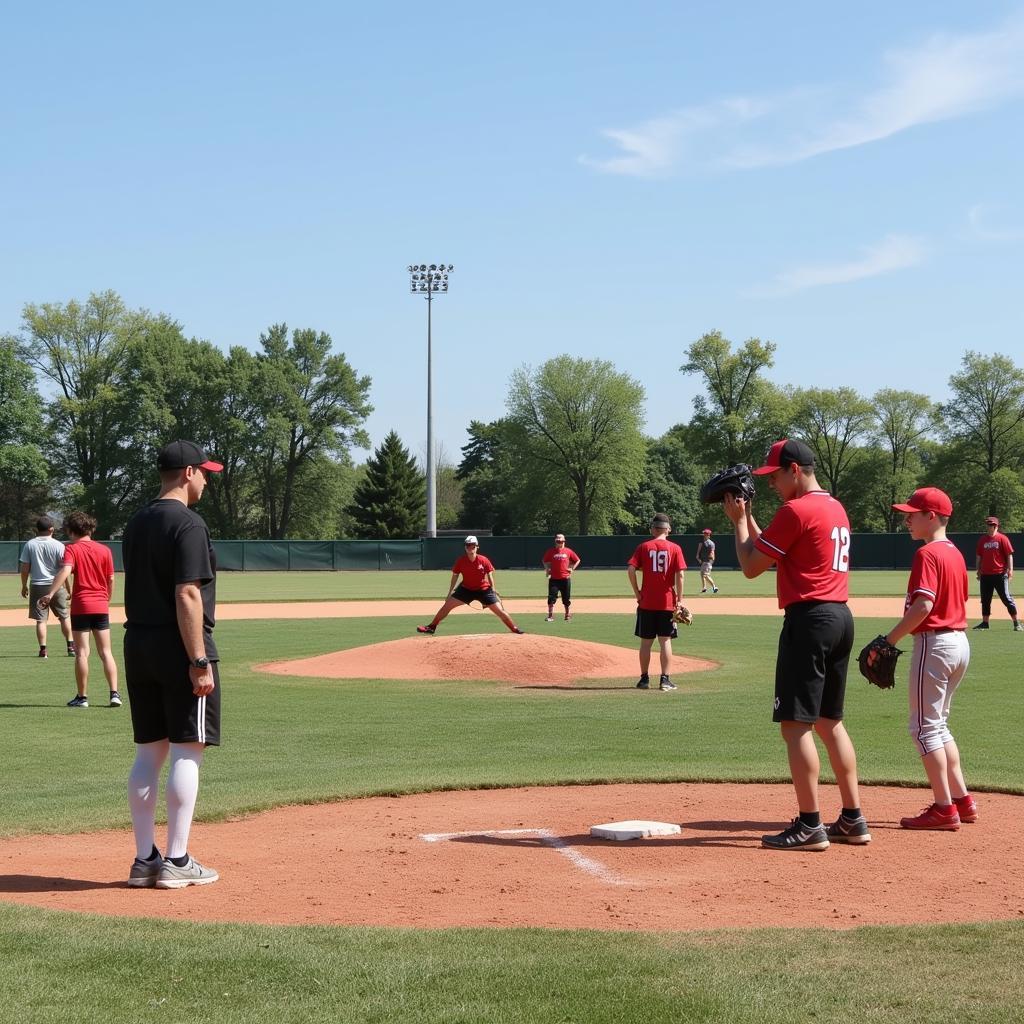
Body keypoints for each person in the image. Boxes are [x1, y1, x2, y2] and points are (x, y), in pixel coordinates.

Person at [723, 438, 866, 851]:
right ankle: (853, 819)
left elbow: (751, 566)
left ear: (795, 470)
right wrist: (748, 518)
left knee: (795, 725)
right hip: (840, 617)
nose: (770, 484)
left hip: (809, 622)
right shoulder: (833, 507)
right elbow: (773, 551)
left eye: (774, 476)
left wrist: (736, 522)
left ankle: (809, 825)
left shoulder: (796, 509)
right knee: (829, 721)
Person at [121, 439, 224, 890]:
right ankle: (178, 860)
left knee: (149, 751)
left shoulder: (136, 521)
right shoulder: (188, 523)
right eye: (204, 472)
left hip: (138, 643)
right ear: (187, 473)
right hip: (178, 646)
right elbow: (187, 593)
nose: (206, 479)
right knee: (188, 748)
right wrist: (198, 658)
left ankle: (145, 859)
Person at [876, 487, 976, 830]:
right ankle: (962, 800)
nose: (907, 519)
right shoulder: (955, 553)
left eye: (913, 513)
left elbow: (924, 606)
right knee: (938, 725)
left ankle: (944, 809)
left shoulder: (928, 554)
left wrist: (889, 640)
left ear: (931, 516)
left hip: (935, 643)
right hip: (959, 643)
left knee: (922, 729)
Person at [38, 511, 119, 708]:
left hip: (81, 605)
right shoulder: (105, 550)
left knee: (82, 653)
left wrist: (49, 594)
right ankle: (114, 694)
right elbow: (111, 579)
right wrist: (106, 599)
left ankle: (82, 698)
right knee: (106, 652)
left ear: (72, 530)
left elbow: (65, 570)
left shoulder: (72, 549)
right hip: (101, 605)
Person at [417, 536, 525, 635]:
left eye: (473, 545)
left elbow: (490, 575)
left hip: (484, 590)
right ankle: (431, 627)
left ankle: (514, 628)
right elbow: (455, 576)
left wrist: (493, 590)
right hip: (466, 589)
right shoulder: (461, 561)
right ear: (465, 547)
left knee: (500, 611)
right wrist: (450, 593)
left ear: (477, 547)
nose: (470, 547)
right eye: (468, 545)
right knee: (446, 607)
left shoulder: (483, 560)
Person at [627, 513, 686, 692]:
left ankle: (644, 679)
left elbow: (631, 569)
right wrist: (680, 601)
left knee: (646, 643)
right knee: (665, 641)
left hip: (646, 602)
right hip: (667, 602)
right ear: (668, 529)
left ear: (653, 529)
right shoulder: (675, 548)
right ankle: (665, 680)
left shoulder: (643, 547)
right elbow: (680, 574)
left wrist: (637, 593)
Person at [19, 515, 74, 659]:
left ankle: (43, 650)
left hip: (37, 585)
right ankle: (70, 646)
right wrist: (69, 589)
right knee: (64, 616)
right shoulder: (59, 545)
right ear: (52, 529)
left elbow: (25, 568)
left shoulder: (30, 544)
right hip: (57, 585)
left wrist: (24, 586)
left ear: (36, 529)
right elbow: (65, 570)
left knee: (41, 620)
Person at [973, 516, 1019, 631]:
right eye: (988, 524)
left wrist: (1010, 570)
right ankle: (985, 623)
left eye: (992, 525)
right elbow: (979, 556)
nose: (990, 527)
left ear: (996, 526)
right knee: (985, 599)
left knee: (1006, 599)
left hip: (1000, 575)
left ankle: (1016, 623)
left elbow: (1009, 555)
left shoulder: (1002, 539)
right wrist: (978, 570)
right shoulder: (982, 540)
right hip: (985, 575)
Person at [542, 533, 581, 621]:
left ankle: (567, 615)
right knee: (551, 598)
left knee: (566, 598)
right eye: (558, 540)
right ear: (555, 541)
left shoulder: (568, 551)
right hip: (554, 579)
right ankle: (550, 616)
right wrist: (547, 569)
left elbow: (577, 560)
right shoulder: (551, 551)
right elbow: (544, 560)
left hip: (565, 578)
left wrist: (572, 569)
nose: (559, 542)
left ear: (564, 541)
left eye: (561, 540)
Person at [696, 528, 719, 594]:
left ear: (708, 535)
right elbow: (699, 550)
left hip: (708, 561)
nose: (704, 534)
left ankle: (714, 587)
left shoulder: (711, 543)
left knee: (705, 575)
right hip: (704, 561)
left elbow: (712, 552)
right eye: (704, 533)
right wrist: (698, 556)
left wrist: (711, 560)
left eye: (705, 534)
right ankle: (704, 588)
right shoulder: (702, 542)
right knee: (702, 574)